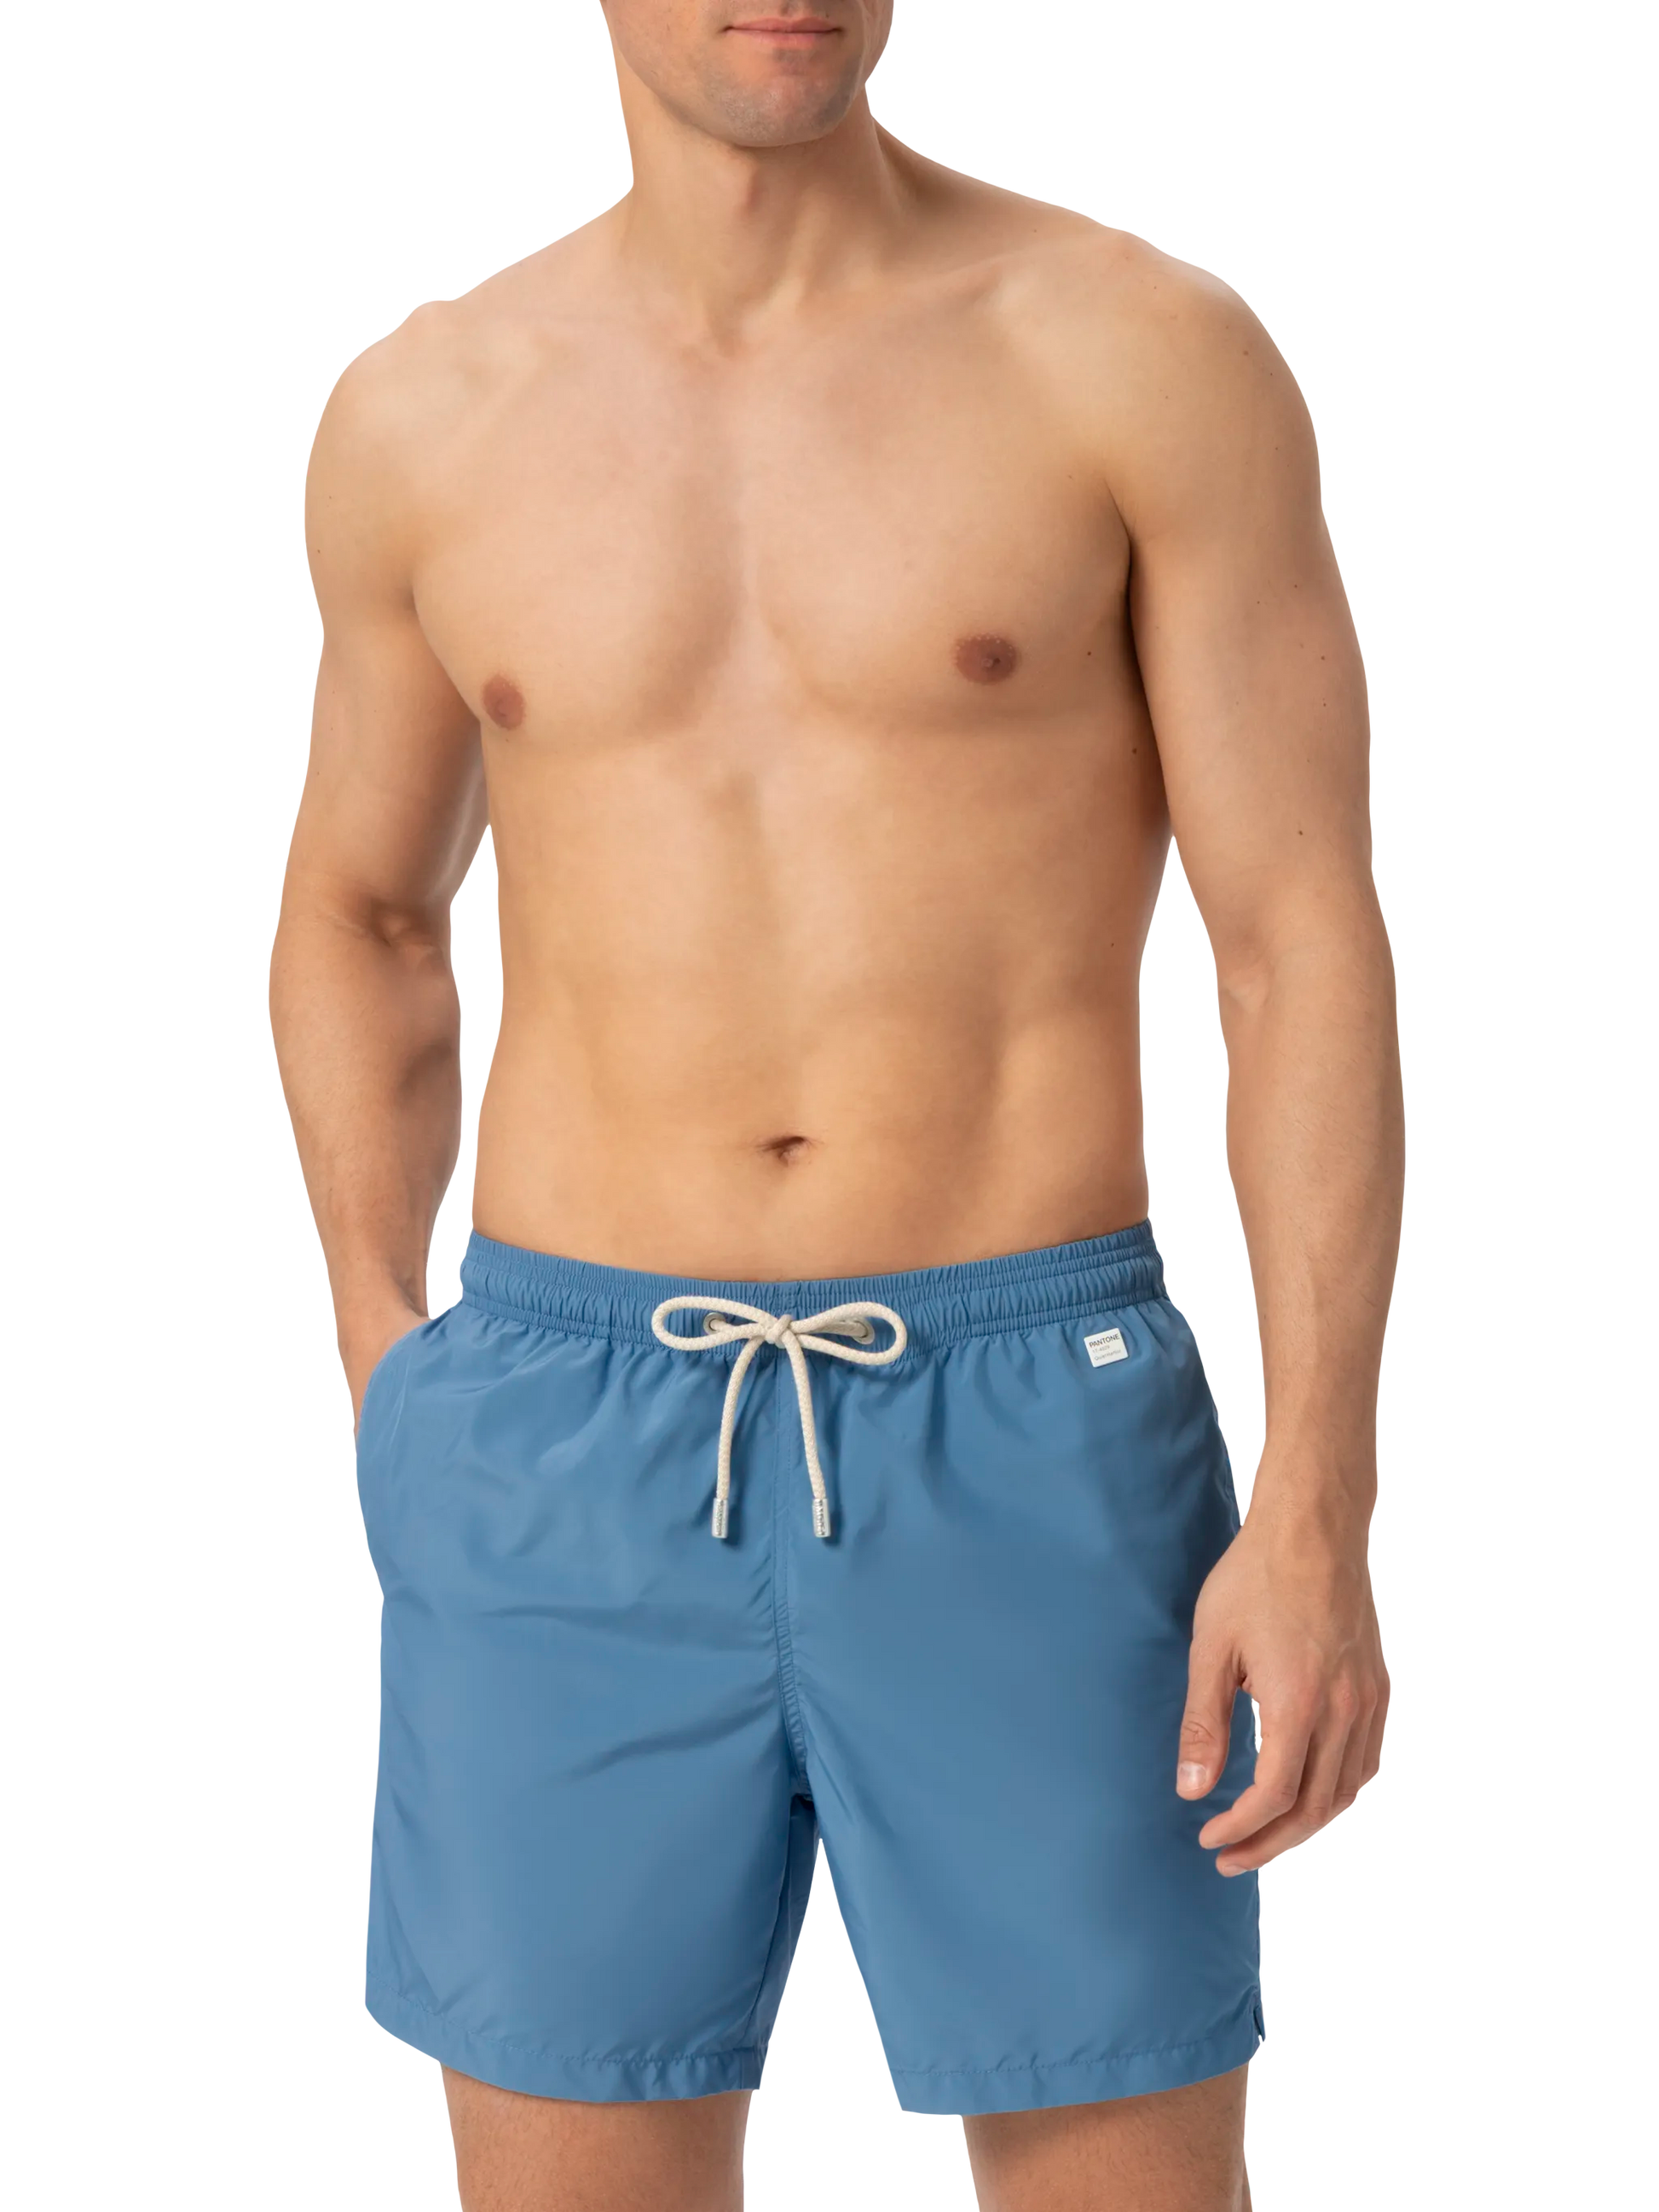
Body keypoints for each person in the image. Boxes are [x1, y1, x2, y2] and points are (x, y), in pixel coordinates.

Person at [267, 6, 1402, 2206]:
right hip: (566, 1426)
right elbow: (357, 905)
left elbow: (1298, 943)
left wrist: (1316, 1505)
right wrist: (386, 1351)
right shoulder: (426, 411)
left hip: (1029, 1416)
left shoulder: (1136, 352)